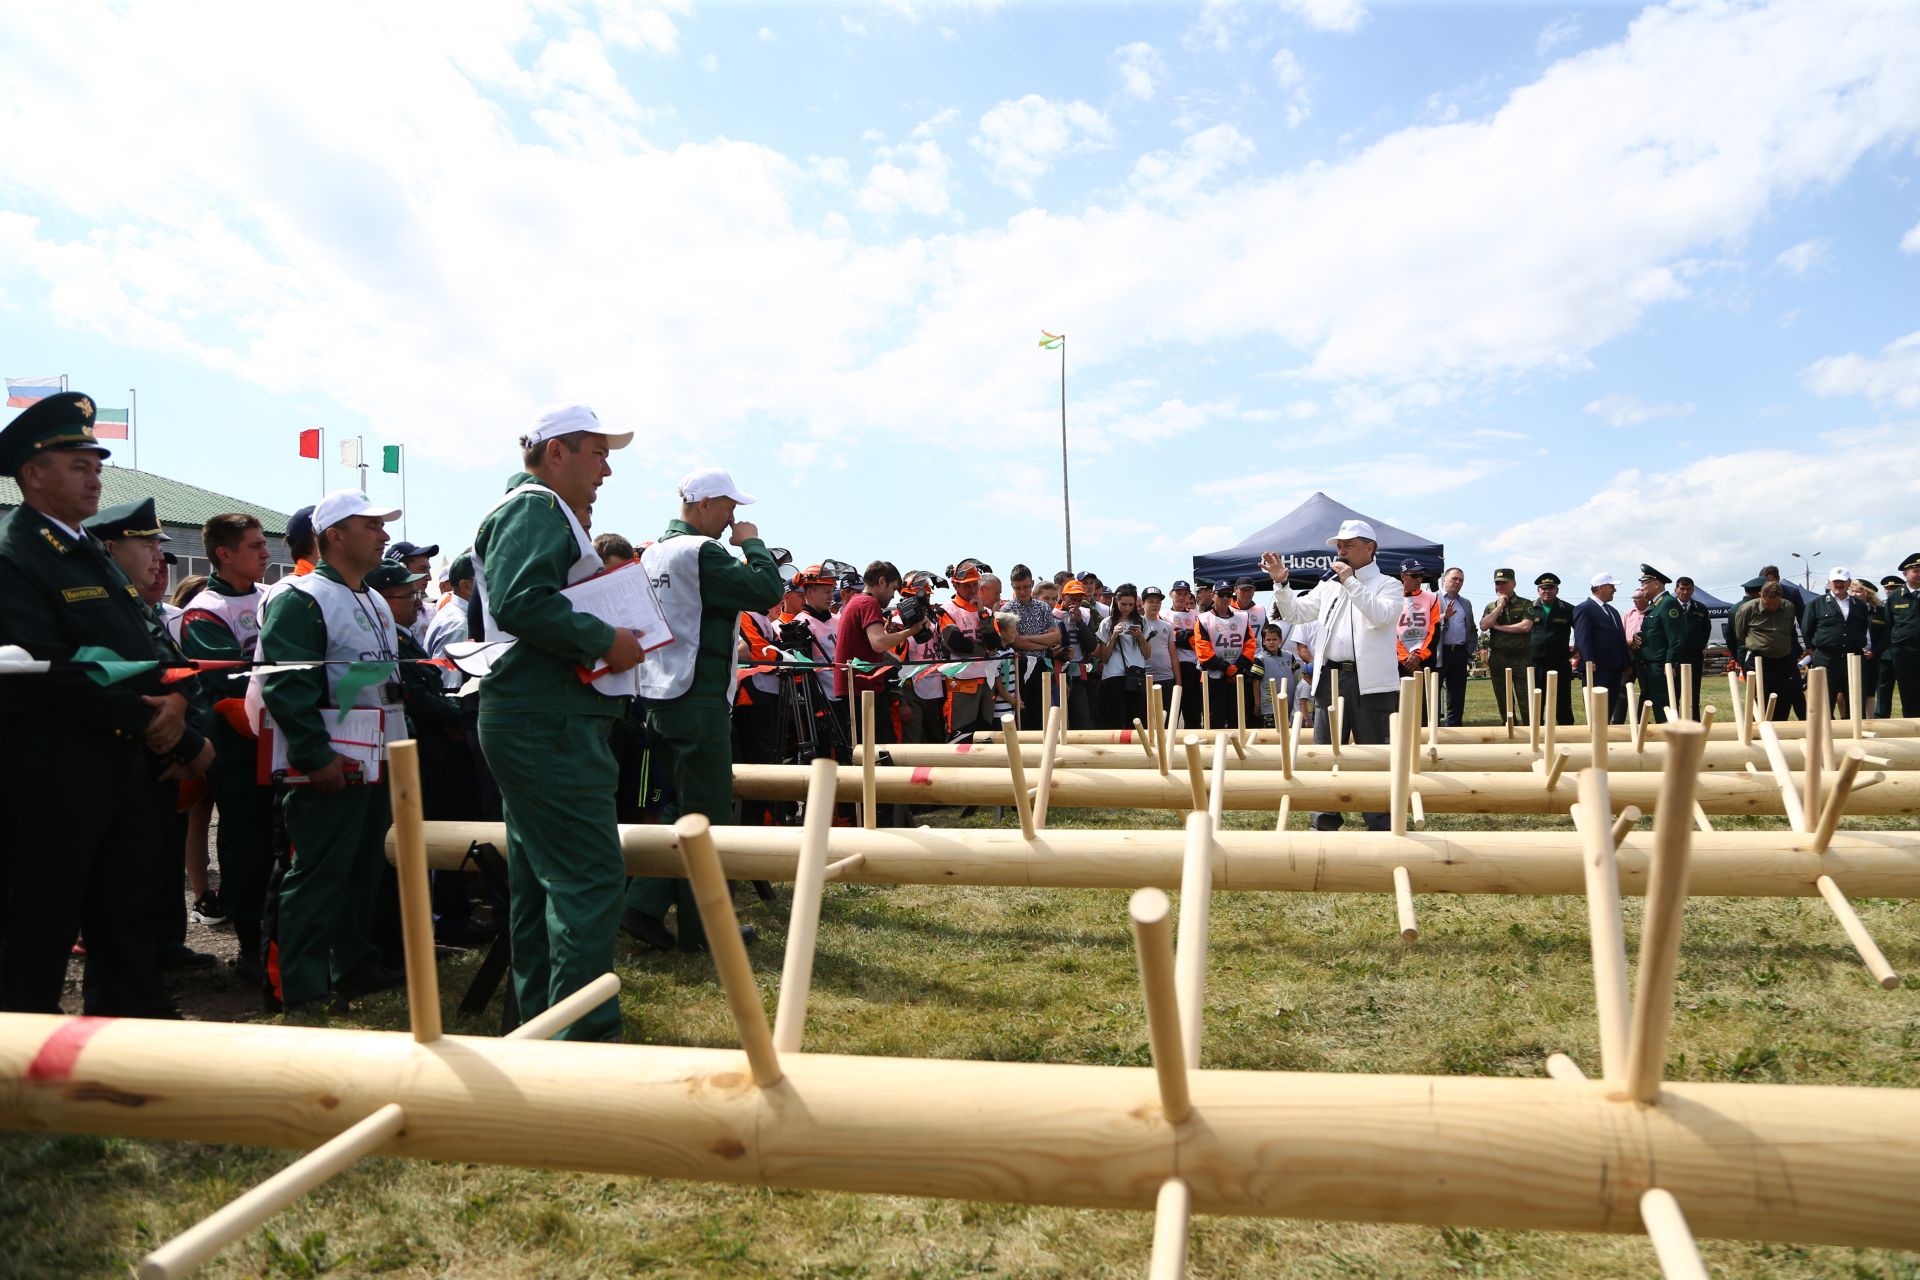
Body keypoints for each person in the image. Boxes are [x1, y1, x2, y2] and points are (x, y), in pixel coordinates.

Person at [0, 392, 190, 1018]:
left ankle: (131, 1043)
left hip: (119, 765)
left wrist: (175, 708)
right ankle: (19, 1067)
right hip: (51, 772)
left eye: (96, 464)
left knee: (124, 910)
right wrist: (147, 717)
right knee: (38, 922)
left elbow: (141, 642)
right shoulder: (16, 555)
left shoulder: (86, 550)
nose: (95, 476)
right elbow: (36, 670)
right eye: (78, 464)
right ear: (33, 473)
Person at [472, 404, 644, 1036]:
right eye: (598, 454)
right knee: (589, 880)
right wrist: (606, 638)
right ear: (556, 453)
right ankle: (582, 1042)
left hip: (539, 717)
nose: (606, 470)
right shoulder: (536, 509)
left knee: (544, 887)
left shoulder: (538, 510)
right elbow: (522, 602)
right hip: (547, 720)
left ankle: (542, 1029)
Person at [630, 466, 781, 953]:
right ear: (704, 504)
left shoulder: (654, 552)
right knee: (709, 814)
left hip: (657, 693)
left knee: (678, 808)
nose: (733, 516)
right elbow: (766, 592)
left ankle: (647, 906)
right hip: (696, 697)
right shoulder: (702, 552)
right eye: (728, 506)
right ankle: (700, 927)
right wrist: (753, 545)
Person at [82, 497, 220, 972]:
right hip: (134, 759)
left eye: (160, 545)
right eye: (146, 544)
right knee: (127, 875)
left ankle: (165, 944)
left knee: (163, 857)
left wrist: (194, 735)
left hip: (168, 764)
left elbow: (187, 681)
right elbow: (125, 688)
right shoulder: (98, 609)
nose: (159, 556)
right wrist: (186, 743)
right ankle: (135, 965)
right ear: (108, 548)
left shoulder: (143, 612)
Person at [179, 512, 277, 977]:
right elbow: (230, 682)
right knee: (246, 845)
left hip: (281, 739)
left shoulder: (271, 597)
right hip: (238, 750)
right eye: (256, 546)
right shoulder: (205, 610)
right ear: (224, 554)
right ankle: (250, 948)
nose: (266, 553)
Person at [1261, 519, 1403, 831]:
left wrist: (1351, 582)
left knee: (1374, 754)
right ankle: (1323, 819)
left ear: (1370, 548)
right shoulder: (1328, 585)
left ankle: (1379, 820)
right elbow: (1294, 613)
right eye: (1339, 546)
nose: (1341, 551)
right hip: (1329, 677)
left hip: (1371, 683)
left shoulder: (1388, 584)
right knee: (1325, 753)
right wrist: (1281, 583)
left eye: (1348, 545)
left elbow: (1380, 616)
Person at [835, 560, 928, 747]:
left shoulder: (856, 602)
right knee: (882, 749)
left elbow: (871, 642)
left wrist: (889, 634)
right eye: (893, 589)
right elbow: (878, 643)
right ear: (882, 581)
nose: (893, 596)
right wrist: (911, 631)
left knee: (866, 748)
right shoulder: (869, 603)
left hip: (856, 687)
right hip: (863, 688)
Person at [940, 561, 1002, 739]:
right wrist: (983, 652)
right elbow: (955, 643)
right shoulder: (947, 610)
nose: (973, 589)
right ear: (955, 584)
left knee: (985, 734)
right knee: (960, 733)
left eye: (975, 584)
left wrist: (982, 613)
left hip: (986, 680)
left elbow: (995, 643)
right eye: (968, 585)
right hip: (961, 681)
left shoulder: (987, 612)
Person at [1731, 582, 1804, 720]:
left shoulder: (1788, 607)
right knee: (1759, 701)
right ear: (1761, 595)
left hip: (1784, 661)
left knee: (1784, 700)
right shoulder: (1747, 609)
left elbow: (1789, 630)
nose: (1771, 607)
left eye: (1775, 604)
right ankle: (1758, 733)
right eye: (1768, 603)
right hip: (1759, 661)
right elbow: (1740, 634)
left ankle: (1779, 731)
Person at [1802, 567, 1869, 713]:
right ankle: (1825, 734)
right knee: (1824, 703)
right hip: (1826, 659)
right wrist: (1813, 648)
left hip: (1854, 659)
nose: (1839, 585)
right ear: (1829, 583)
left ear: (1849, 583)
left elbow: (1863, 628)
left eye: (1842, 582)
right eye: (1835, 582)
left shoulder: (1860, 605)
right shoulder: (1816, 604)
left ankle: (1854, 732)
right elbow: (1807, 629)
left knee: (1856, 703)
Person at [1004, 565, 1063, 731]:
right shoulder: (1008, 609)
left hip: (1041, 665)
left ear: (1031, 584)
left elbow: (1056, 637)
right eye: (1018, 588)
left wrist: (1027, 638)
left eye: (1026, 587)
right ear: (1012, 586)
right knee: (1023, 713)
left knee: (1041, 712)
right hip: (1020, 667)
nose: (1022, 591)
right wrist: (1043, 640)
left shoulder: (1042, 607)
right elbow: (1016, 643)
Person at [1192, 578, 1256, 728]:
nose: (1225, 598)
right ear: (1214, 595)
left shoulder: (1242, 617)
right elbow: (1203, 651)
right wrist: (1226, 668)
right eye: (1221, 594)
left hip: (1237, 677)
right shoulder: (1203, 619)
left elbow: (1250, 644)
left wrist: (1237, 669)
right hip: (1213, 677)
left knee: (1237, 719)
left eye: (1228, 594)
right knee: (1214, 720)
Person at [1091, 584, 1154, 730]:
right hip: (1112, 677)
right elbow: (1104, 657)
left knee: (1136, 722)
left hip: (1136, 676)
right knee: (1113, 723)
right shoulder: (1107, 623)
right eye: (1123, 604)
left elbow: (1147, 654)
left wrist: (1140, 638)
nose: (1126, 608)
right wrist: (1113, 636)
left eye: (1131, 604)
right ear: (1116, 602)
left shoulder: (1142, 622)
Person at [1572, 573, 1629, 723]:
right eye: (1611, 587)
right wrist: (1589, 662)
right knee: (1596, 709)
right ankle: (1596, 739)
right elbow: (1582, 638)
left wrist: (1626, 662)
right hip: (1597, 669)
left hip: (1614, 667)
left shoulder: (1613, 611)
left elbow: (1619, 638)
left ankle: (1605, 736)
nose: (1614, 590)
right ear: (1601, 588)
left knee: (1609, 706)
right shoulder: (1584, 609)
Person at [1480, 568, 1533, 725]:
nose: (1499, 587)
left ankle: (1530, 730)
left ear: (1513, 584)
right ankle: (1509, 728)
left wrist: (1498, 627)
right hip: (1499, 658)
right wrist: (1500, 606)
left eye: (1503, 583)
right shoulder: (1491, 606)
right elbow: (1484, 625)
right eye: (1497, 583)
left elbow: (1525, 627)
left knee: (1526, 699)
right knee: (1503, 699)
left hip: (1521, 658)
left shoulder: (1525, 603)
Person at [1635, 565, 1684, 722]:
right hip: (1650, 664)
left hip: (1661, 665)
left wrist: (1669, 664)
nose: (1642, 588)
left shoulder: (1668, 603)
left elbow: (1675, 638)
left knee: (1664, 706)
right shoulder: (1655, 605)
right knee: (1653, 704)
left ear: (1656, 584)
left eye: (1645, 584)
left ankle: (1668, 739)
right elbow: (1656, 633)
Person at [1050, 580, 1100, 729]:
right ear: (1063, 596)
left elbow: (1091, 646)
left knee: (1083, 720)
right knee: (1059, 721)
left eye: (1079, 600)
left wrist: (1079, 623)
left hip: (1077, 674)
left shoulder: (1085, 615)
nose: (1075, 603)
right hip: (1056, 672)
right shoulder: (1053, 613)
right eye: (1072, 599)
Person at [1529, 573, 1576, 725]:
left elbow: (1581, 632)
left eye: (1550, 588)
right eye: (1543, 588)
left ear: (1557, 590)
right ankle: (1537, 731)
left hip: (1560, 662)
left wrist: (1577, 650)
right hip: (1536, 663)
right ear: (1538, 590)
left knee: (1562, 699)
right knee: (1537, 699)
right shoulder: (1529, 608)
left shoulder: (1568, 609)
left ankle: (1566, 730)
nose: (1546, 591)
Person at [1434, 567, 1476, 727]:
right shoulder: (1432, 599)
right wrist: (1445, 617)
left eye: (1461, 580)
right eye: (1454, 578)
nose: (1458, 582)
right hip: (1439, 653)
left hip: (1459, 653)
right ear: (1444, 579)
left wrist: (1468, 649)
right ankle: (1433, 728)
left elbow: (1472, 629)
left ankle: (1454, 728)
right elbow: (1428, 624)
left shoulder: (1465, 603)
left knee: (1457, 694)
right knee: (1433, 693)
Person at [1879, 556, 1920, 718]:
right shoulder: (1895, 597)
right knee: (1908, 692)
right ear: (1905, 574)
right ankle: (1913, 729)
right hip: (1904, 653)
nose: (1919, 574)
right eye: (1915, 571)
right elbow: (1888, 626)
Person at [1672, 576, 1713, 719]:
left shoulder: (1700, 608)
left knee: (1694, 693)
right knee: (1674, 693)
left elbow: (1706, 630)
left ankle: (1694, 723)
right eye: (1682, 589)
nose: (1684, 592)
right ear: (1676, 590)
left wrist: (1699, 645)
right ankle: (1675, 724)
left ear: (1692, 590)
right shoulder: (1669, 607)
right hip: (1675, 657)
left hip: (1694, 657)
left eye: (1688, 589)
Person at [1165, 579, 1203, 728]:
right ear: (1171, 594)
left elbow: (1199, 639)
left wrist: (1183, 637)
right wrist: (1185, 636)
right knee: (1170, 711)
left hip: (1192, 666)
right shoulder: (1163, 613)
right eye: (1178, 593)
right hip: (1170, 666)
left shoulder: (1196, 615)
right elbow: (1171, 640)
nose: (1181, 597)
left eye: (1185, 594)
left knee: (1192, 710)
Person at [1394, 560, 1439, 680]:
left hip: (1424, 660)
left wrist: (1419, 656)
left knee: (1426, 698)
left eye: (1421, 575)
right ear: (1403, 576)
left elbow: (1435, 630)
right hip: (1400, 662)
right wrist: (1405, 659)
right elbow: (1389, 632)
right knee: (1401, 698)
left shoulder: (1432, 598)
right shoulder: (1392, 598)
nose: (1419, 580)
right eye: (1414, 575)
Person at [1139, 586, 1177, 714]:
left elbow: (1173, 655)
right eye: (1150, 601)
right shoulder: (1137, 624)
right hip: (1144, 678)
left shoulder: (1167, 626)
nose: (1155, 604)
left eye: (1158, 601)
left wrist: (1178, 681)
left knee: (1166, 719)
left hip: (1166, 678)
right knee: (1147, 719)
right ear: (1142, 603)